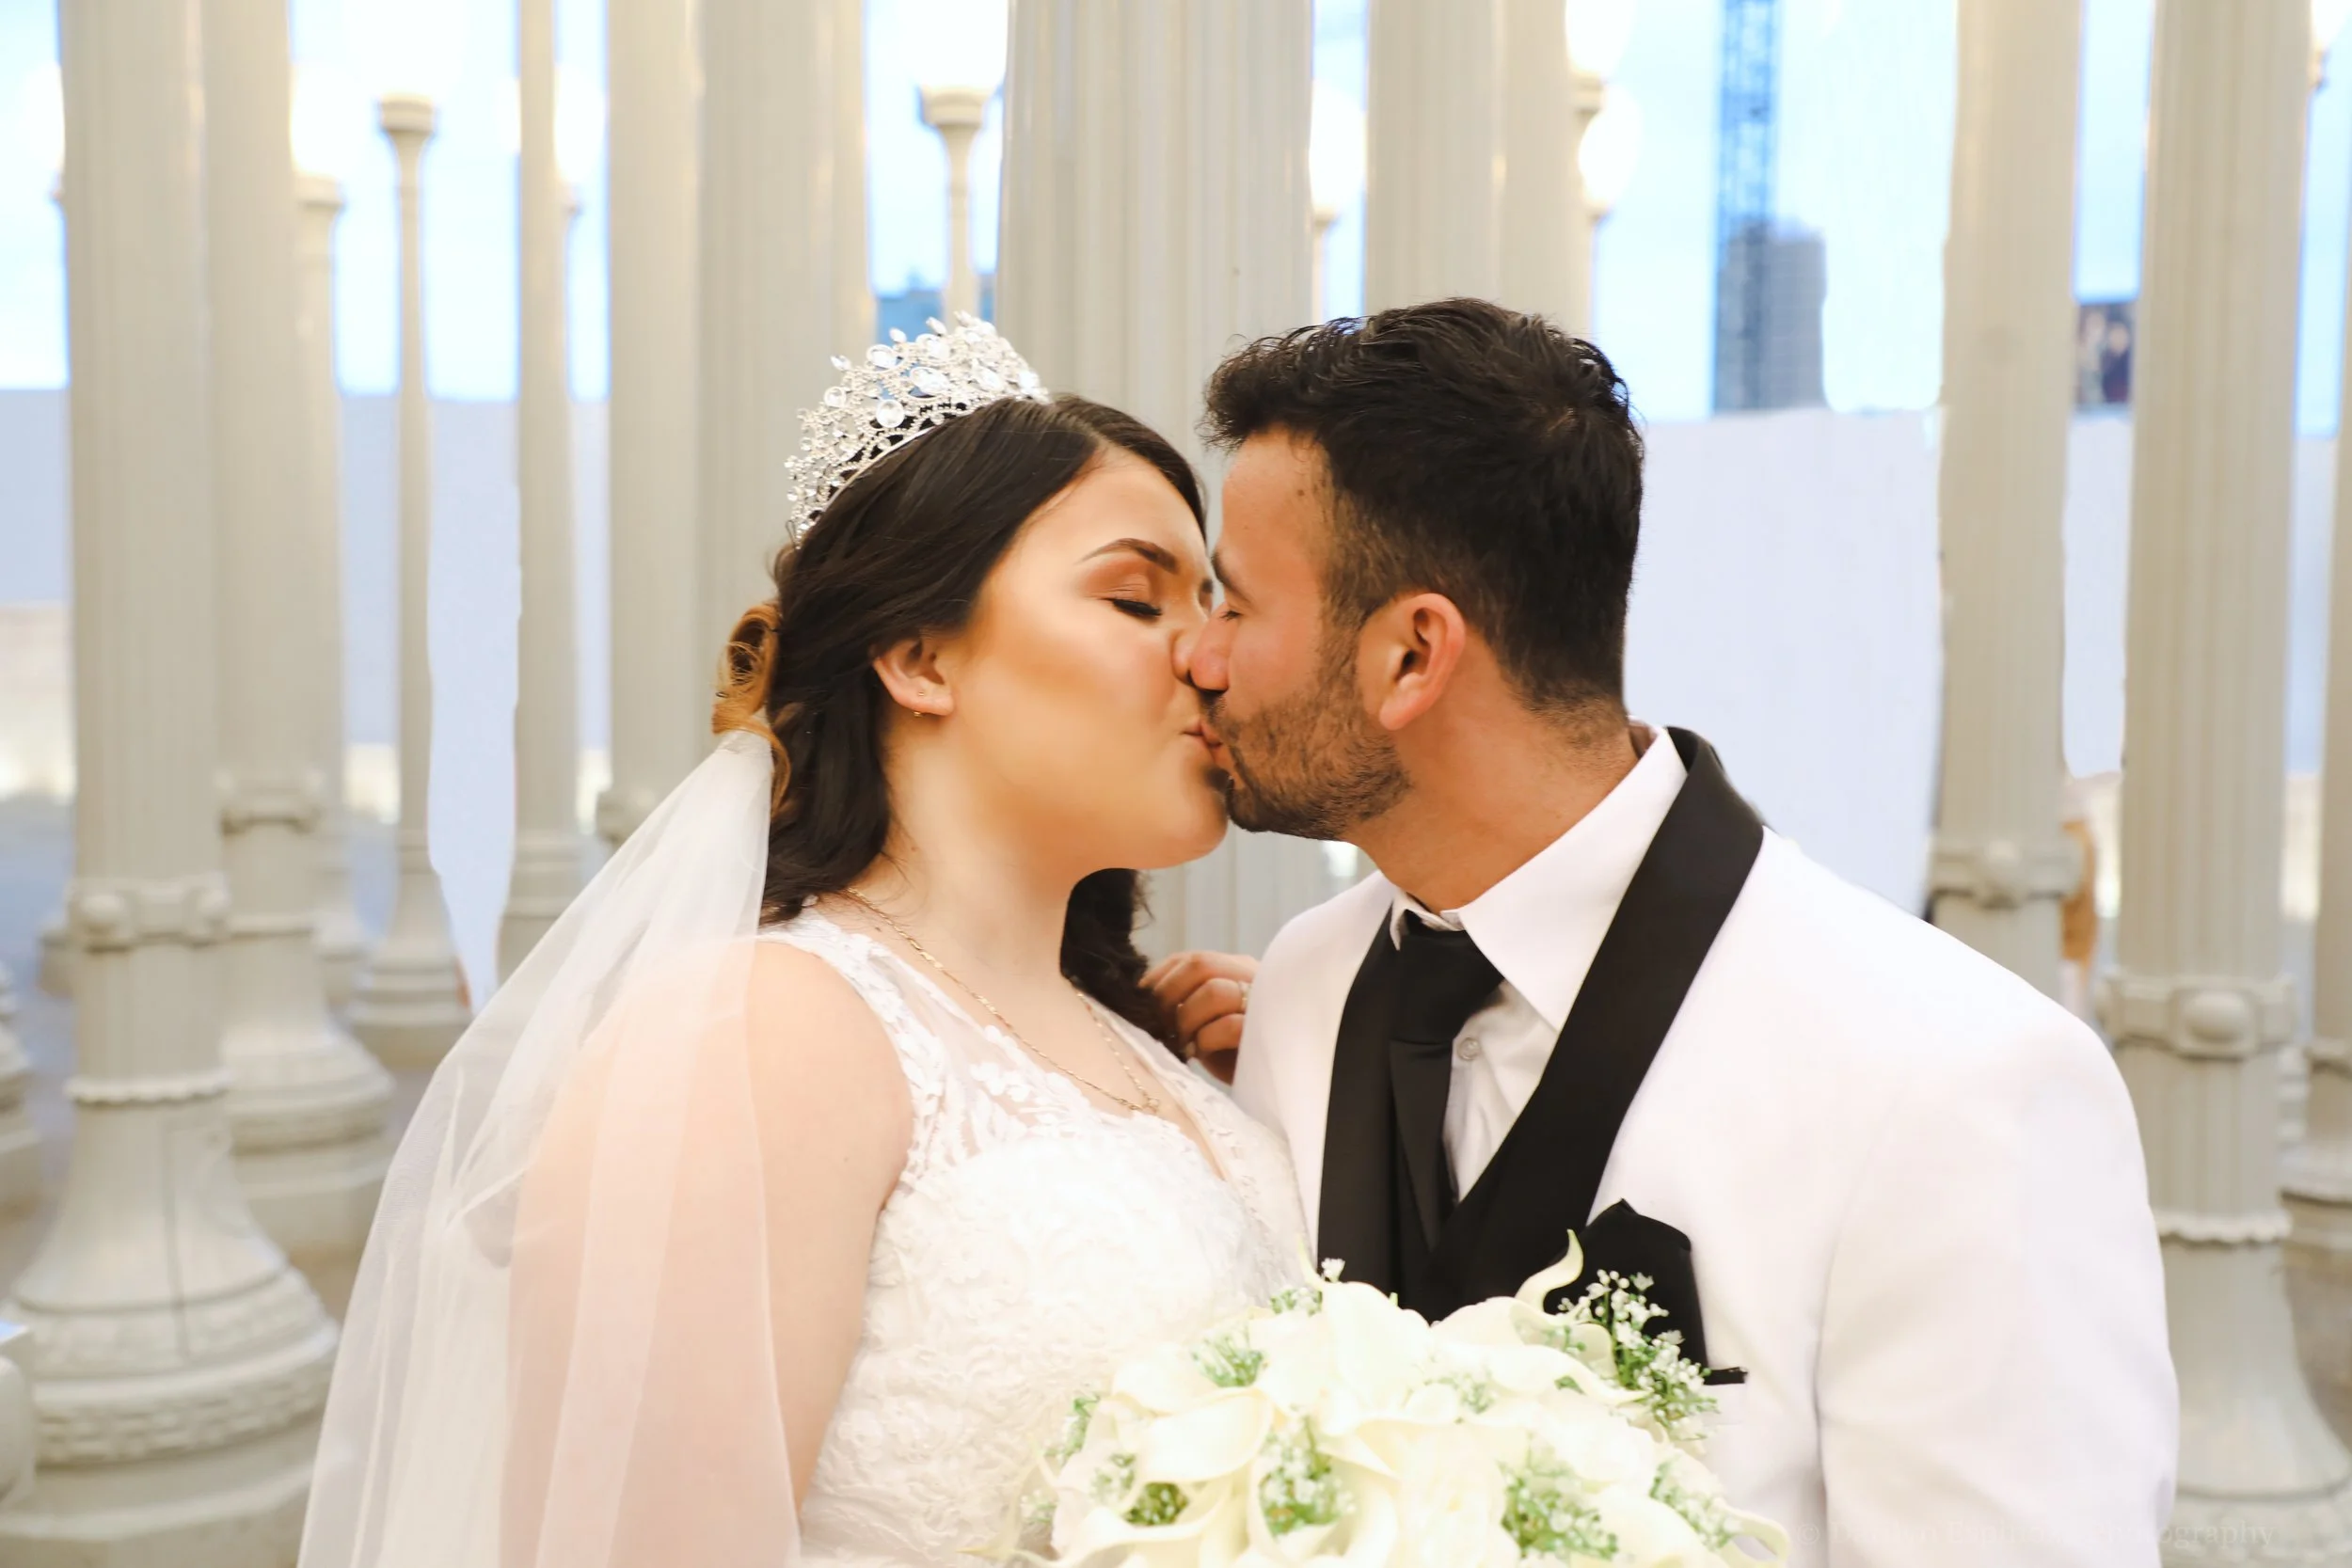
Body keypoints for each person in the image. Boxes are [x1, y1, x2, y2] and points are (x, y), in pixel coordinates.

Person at [1172, 298, 2178, 1566]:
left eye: (1235, 602)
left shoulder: (1958, 1080)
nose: (1197, 657)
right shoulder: (1311, 986)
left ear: (1411, 656)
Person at [298, 321, 1303, 1568]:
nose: (1209, 657)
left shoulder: (1157, 1044)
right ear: (918, 656)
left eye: (1213, 606)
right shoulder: (760, 1034)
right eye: (1137, 595)